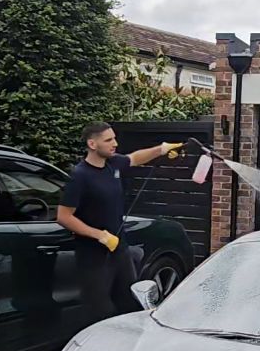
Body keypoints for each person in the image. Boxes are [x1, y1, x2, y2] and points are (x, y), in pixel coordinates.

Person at [58, 122, 181, 325]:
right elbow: (64, 216)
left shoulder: (112, 164)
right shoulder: (80, 176)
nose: (115, 143)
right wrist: (99, 235)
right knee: (99, 312)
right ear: (92, 143)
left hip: (119, 250)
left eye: (114, 138)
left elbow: (134, 158)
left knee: (129, 304)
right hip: (94, 257)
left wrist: (162, 149)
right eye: (108, 140)